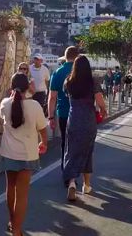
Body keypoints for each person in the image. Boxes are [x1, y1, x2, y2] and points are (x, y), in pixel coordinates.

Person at [0, 73, 48, 236]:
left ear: (12, 87)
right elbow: (42, 128)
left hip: (8, 152)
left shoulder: (4, 104)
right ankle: (17, 230)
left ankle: (12, 222)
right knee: (22, 195)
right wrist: (44, 143)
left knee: (10, 188)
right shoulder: (34, 105)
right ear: (27, 86)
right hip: (27, 154)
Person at [63, 55, 107, 201]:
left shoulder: (69, 81)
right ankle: (86, 185)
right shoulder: (92, 81)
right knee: (87, 151)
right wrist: (103, 110)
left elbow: (65, 95)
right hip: (88, 120)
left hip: (73, 119)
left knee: (72, 151)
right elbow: (100, 101)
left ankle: (71, 182)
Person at [47, 46, 79, 178]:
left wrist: (50, 117)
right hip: (79, 113)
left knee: (65, 142)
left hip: (63, 113)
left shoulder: (57, 72)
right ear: (77, 57)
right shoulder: (81, 72)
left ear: (65, 57)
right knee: (77, 142)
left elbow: (52, 97)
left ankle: (65, 169)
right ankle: (75, 170)